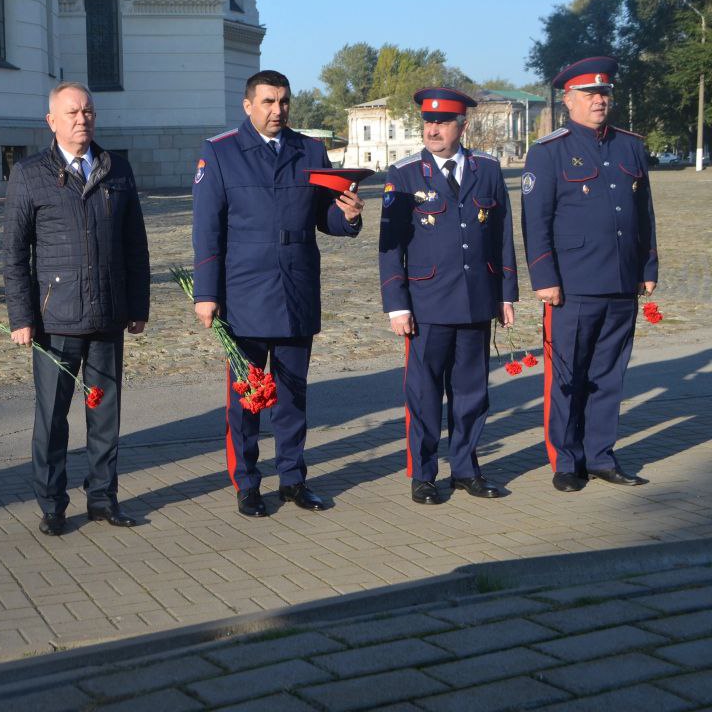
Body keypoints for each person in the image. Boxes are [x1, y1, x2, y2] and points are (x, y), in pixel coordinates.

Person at [191, 70, 364, 518]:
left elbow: (327, 218)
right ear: (247, 105)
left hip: (295, 290)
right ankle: (247, 484)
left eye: (283, 101)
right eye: (267, 102)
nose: (277, 110)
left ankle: (293, 479)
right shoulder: (221, 151)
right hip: (243, 292)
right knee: (247, 399)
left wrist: (348, 215)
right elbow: (207, 230)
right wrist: (206, 295)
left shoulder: (310, 150)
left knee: (292, 395)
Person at [2, 82, 151, 536]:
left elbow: (135, 246)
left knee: (104, 413)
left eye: (88, 111)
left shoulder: (116, 169)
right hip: (55, 321)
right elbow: (13, 253)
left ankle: (103, 498)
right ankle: (52, 504)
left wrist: (138, 305)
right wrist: (22, 316)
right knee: (51, 418)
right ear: (51, 121)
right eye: (71, 112)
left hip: (107, 316)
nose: (81, 119)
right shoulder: (29, 174)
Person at [521, 56, 657, 492]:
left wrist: (647, 266)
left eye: (604, 92)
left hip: (620, 281)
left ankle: (601, 455)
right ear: (568, 100)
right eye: (590, 94)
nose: (600, 100)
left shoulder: (630, 146)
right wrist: (545, 277)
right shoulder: (548, 151)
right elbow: (535, 222)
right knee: (568, 376)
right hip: (573, 284)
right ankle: (566, 461)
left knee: (609, 374)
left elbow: (643, 213)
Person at [379, 88, 517, 505]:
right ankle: (423, 475)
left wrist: (505, 294)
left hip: (476, 299)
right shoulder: (404, 173)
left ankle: (465, 469)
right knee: (424, 395)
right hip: (427, 303)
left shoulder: (487, 169)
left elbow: (502, 236)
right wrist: (397, 305)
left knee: (472, 392)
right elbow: (390, 246)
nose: (433, 129)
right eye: (427, 122)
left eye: (442, 122)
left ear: (463, 125)